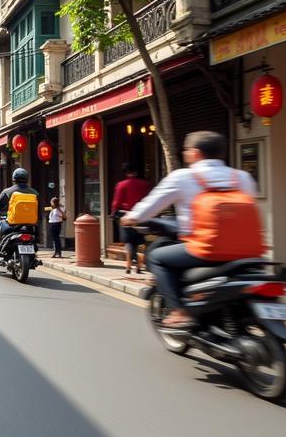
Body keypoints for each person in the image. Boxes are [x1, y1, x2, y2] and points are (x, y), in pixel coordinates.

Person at [121, 131, 258, 329]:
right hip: (247, 252)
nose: (185, 153)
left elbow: (150, 206)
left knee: (157, 257)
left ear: (195, 153)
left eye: (186, 150)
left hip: (205, 249)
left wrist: (130, 218)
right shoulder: (242, 177)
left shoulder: (184, 177)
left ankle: (179, 312)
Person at [0, 168, 41, 256]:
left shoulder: (7, 191)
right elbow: (38, 211)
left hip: (11, 224)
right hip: (30, 226)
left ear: (13, 179)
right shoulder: (35, 193)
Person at [110, 163, 151, 274]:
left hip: (127, 216)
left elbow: (116, 202)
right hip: (141, 216)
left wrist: (114, 212)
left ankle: (128, 266)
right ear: (136, 172)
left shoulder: (121, 185)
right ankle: (138, 265)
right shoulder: (145, 184)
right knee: (139, 242)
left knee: (129, 242)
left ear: (125, 173)